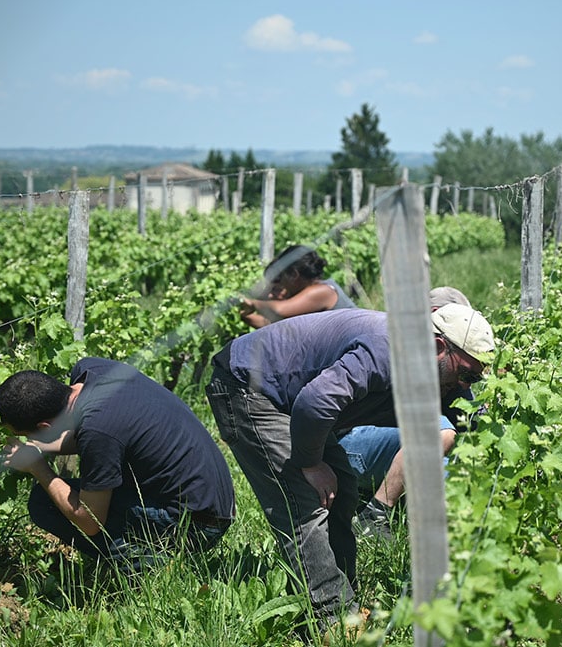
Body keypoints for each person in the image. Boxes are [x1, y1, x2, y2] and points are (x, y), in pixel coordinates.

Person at [204, 304, 495, 634]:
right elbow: (315, 403)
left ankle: (342, 599)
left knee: (341, 491)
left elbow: (467, 417)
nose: (465, 384)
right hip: (249, 386)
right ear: (439, 347)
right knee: (304, 502)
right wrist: (311, 464)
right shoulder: (388, 352)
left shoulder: (439, 369)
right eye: (467, 374)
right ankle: (333, 622)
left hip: (294, 399)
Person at [0, 357, 235, 571]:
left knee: (44, 502)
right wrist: (38, 448)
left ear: (44, 427)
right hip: (211, 499)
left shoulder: (97, 430)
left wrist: (38, 468)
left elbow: (89, 521)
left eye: (27, 434)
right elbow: (101, 434)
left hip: (196, 526)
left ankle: (149, 565)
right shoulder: (93, 371)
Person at [338, 286, 477, 537]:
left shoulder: (445, 362)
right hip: (349, 441)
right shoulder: (395, 349)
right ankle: (375, 514)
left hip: (389, 440)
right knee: (441, 432)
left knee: (455, 477)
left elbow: (470, 418)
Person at [239, 244, 356, 328]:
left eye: (282, 276)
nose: (282, 283)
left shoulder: (323, 291)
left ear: (293, 275)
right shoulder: (309, 294)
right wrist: (245, 316)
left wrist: (252, 303)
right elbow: (273, 324)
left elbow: (281, 310)